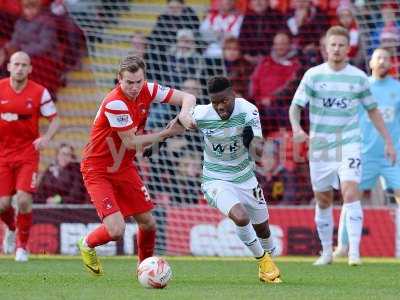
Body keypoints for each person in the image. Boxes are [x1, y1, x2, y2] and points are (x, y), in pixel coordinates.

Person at [78, 55, 195, 276]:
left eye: (138, 82)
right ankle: (87, 243)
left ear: (144, 79)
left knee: (148, 223)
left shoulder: (148, 90)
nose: (134, 87)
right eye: (129, 82)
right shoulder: (115, 102)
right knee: (116, 230)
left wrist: (184, 116)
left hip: (123, 166)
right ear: (119, 80)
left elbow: (188, 97)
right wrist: (169, 132)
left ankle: (145, 269)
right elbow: (131, 142)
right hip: (98, 169)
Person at [289, 26, 396, 266]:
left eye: (341, 45)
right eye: (332, 45)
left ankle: (354, 253)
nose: (336, 49)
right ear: (325, 48)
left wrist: (388, 141)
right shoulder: (313, 75)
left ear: (348, 49)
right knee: (323, 200)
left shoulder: (358, 77)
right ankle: (327, 252)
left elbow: (373, 111)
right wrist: (297, 129)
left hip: (349, 143)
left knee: (350, 192)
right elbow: (295, 106)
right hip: (322, 146)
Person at [191, 76, 281, 283]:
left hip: (245, 177)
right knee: (240, 217)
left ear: (233, 95)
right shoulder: (202, 113)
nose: (220, 107)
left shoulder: (248, 110)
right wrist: (155, 141)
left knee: (263, 228)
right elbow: (178, 124)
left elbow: (258, 152)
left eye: (224, 101)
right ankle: (263, 262)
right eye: (215, 102)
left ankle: (269, 262)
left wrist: (252, 142)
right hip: (215, 179)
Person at [333, 48, 400, 258]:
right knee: (352, 197)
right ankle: (343, 247)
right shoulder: (362, 89)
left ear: (391, 64)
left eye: (386, 59)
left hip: (392, 154)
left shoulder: (397, 88)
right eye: (379, 58)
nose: (382, 62)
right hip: (365, 154)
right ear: (371, 62)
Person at [0, 51, 60, 261]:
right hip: (2, 155)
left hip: (27, 153)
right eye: (16, 64)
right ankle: (12, 228)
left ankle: (21, 248)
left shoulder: (39, 92)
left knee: (24, 200)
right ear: (9, 66)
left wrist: (46, 138)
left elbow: (55, 120)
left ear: (30, 68)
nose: (20, 68)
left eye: (24, 65)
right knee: (2, 205)